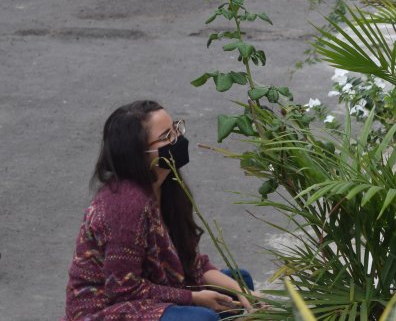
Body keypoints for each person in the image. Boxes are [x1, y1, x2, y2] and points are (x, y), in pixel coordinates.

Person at [64, 101, 254, 321]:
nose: (177, 139)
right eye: (166, 137)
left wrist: (245, 293)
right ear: (138, 153)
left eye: (176, 129)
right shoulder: (125, 204)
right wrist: (193, 298)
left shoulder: (168, 186)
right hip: (106, 309)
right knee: (201, 318)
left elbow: (192, 262)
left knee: (241, 282)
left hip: (155, 293)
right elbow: (123, 290)